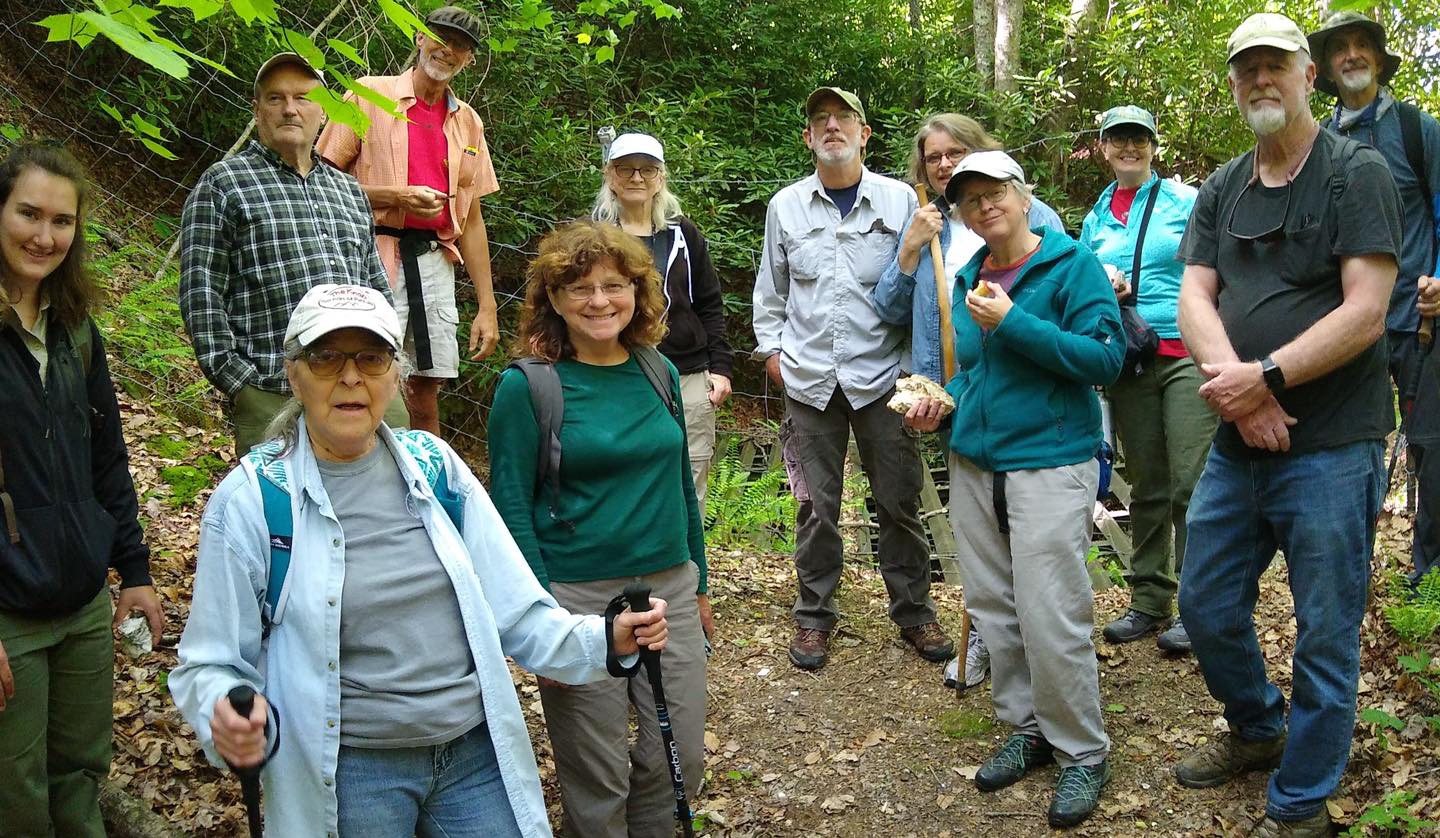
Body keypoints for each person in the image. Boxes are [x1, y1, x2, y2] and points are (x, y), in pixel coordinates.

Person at [169, 282, 670, 838]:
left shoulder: (434, 467)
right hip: (352, 766)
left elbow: (517, 608)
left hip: (474, 755)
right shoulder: (254, 499)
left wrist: (606, 638)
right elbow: (210, 661)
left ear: (396, 375)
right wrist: (224, 713)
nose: (351, 376)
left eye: (372, 356)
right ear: (293, 374)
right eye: (326, 356)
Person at [1173, 14, 1402, 837]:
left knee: (1326, 632)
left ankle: (1301, 803)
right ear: (1234, 83)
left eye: (1276, 66)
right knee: (1202, 604)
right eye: (1247, 70)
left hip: (1332, 447)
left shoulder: (1357, 173)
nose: (1261, 80)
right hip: (1241, 444)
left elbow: (1368, 311)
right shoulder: (1222, 185)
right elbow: (1194, 297)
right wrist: (1242, 392)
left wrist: (1266, 376)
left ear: (1310, 75)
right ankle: (1260, 727)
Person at [905, 150, 1122, 828]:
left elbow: (1105, 359)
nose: (983, 205)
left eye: (995, 191)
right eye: (969, 198)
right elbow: (981, 373)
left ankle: (1083, 751)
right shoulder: (969, 275)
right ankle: (1027, 726)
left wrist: (1015, 322)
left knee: (1050, 607)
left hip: (1050, 461)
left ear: (1023, 197)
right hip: (976, 462)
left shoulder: (1072, 265)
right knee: (995, 605)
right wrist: (942, 400)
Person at [488, 221, 707, 838]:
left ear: (638, 292)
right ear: (553, 299)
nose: (600, 300)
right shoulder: (529, 386)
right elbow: (510, 507)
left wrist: (701, 581)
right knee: (597, 770)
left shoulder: (656, 369)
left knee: (679, 754)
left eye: (615, 285)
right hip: (578, 597)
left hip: (670, 587)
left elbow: (679, 486)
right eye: (579, 288)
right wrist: (540, 622)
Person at [753, 86, 951, 671]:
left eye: (844, 118)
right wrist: (772, 355)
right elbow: (772, 291)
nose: (832, 127)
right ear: (808, 137)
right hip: (810, 379)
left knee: (899, 500)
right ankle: (813, 615)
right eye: (821, 120)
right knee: (816, 506)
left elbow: (923, 292)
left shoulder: (900, 202)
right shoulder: (784, 206)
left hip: (884, 380)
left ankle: (914, 612)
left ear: (865, 133)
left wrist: (920, 372)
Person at [0, 142, 164, 837]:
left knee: (80, 774)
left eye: (61, 221)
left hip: (82, 604)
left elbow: (107, 458)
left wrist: (135, 570)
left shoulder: (75, 330)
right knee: (17, 791)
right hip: (10, 611)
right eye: (28, 214)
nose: (44, 236)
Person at [871, 113, 1068, 689]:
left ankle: (1038, 647)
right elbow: (887, 310)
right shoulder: (929, 227)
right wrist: (909, 249)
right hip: (951, 395)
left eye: (955, 152)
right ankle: (987, 638)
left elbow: (1063, 296)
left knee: (1021, 524)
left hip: (1023, 395)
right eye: (933, 158)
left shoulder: (1032, 214)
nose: (944, 164)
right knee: (977, 526)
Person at [181, 52, 407, 455]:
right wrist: (240, 383)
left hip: (363, 387)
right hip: (273, 391)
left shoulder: (348, 189)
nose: (289, 109)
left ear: (323, 110)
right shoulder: (223, 184)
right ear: (257, 110)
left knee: (388, 502)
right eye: (275, 98)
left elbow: (376, 290)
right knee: (284, 511)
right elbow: (201, 296)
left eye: (303, 98)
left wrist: (387, 362)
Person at [317, 5, 502, 435]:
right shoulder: (368, 94)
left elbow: (471, 220)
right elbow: (319, 185)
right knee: (362, 369)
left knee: (425, 381)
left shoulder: (467, 122)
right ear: (419, 38)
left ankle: (425, 483)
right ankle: (353, 469)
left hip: (435, 259)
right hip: (369, 256)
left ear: (469, 59)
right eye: (439, 37)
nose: (447, 50)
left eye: (460, 46)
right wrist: (394, 197)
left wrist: (487, 306)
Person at [1308, 11, 1440, 587]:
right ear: (1327, 69)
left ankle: (1428, 574)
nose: (1353, 55)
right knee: (1345, 448)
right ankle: (1341, 567)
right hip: (1344, 325)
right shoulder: (1318, 143)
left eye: (1363, 45)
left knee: (1431, 450)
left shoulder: (1416, 130)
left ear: (1380, 61)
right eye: (1341, 49)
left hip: (1417, 321)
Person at [1078, 105, 1212, 653]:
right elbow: (1081, 276)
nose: (1129, 147)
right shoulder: (1096, 214)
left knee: (1191, 483)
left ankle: (1202, 608)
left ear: (1154, 146)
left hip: (1185, 350)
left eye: (1139, 138)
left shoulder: (1186, 201)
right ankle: (1150, 598)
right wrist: (1104, 283)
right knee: (1148, 484)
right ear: (1105, 148)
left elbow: (1216, 266)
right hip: (1130, 356)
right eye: (1118, 139)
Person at [591, 132, 734, 506]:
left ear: (661, 178)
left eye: (648, 169)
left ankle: (688, 562)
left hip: (686, 374)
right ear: (610, 175)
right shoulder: (592, 236)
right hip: (613, 372)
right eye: (626, 169)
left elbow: (709, 302)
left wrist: (720, 368)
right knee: (621, 473)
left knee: (689, 475)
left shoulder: (684, 235)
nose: (637, 178)